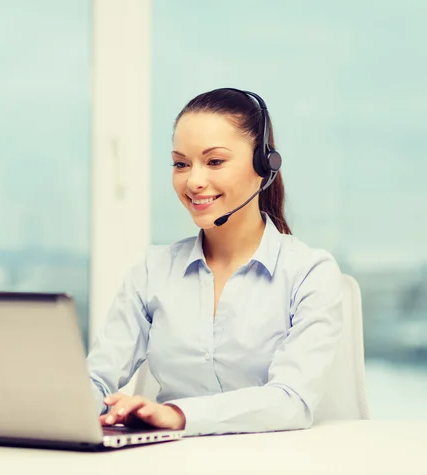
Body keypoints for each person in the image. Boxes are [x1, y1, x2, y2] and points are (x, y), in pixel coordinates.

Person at [86, 87, 343, 437]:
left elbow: (291, 400)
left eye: (215, 161)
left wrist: (178, 414)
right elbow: (97, 377)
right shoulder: (152, 270)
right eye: (180, 164)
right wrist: (71, 407)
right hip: (168, 462)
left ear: (263, 165)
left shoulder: (309, 273)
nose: (194, 181)